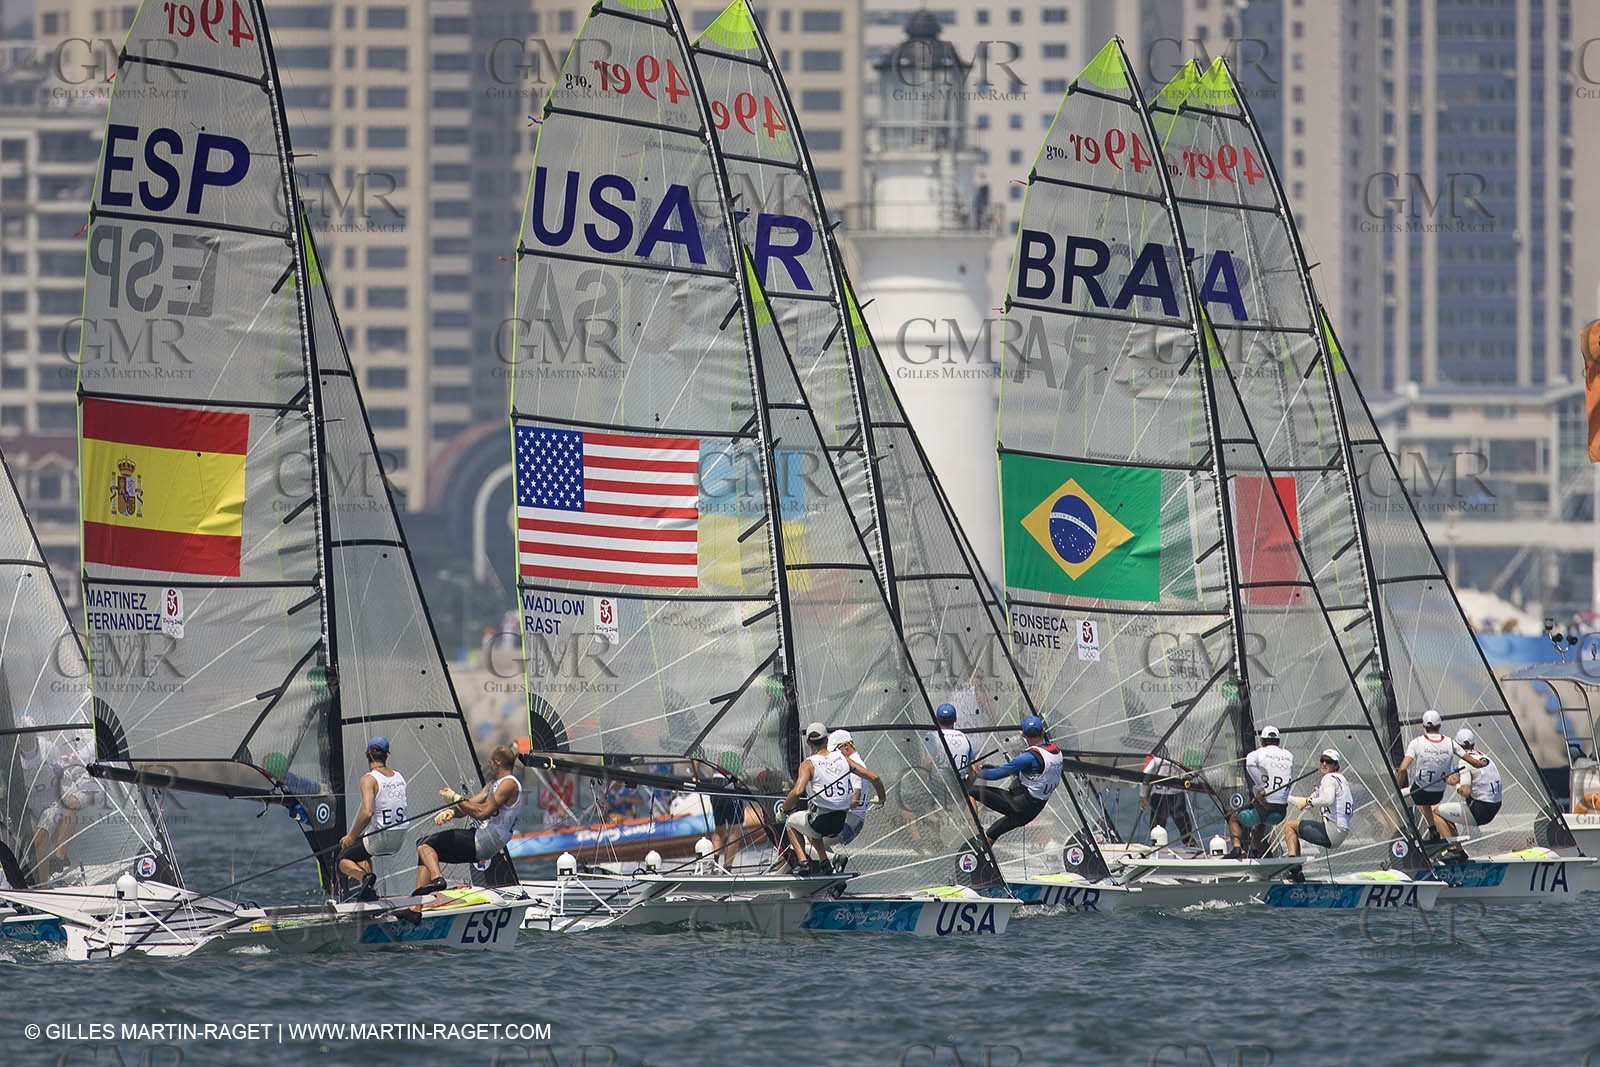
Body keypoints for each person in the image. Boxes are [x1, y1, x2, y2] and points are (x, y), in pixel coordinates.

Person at [414, 745, 522, 894]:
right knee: (425, 850)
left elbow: (482, 812)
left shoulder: (509, 784)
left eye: (490, 762)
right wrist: (451, 811)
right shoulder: (493, 784)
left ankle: (438, 879)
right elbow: (470, 804)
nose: (488, 765)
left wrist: (456, 798)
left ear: (497, 762)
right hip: (483, 837)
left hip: (488, 839)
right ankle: (418, 904)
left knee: (424, 844)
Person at [1396, 709, 1488, 843]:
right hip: (1438, 794)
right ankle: (1433, 831)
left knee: (1395, 801)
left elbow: (1403, 769)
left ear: (1423, 726)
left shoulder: (1416, 742)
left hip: (1419, 790)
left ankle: (1409, 832)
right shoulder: (1450, 742)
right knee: (1425, 801)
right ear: (1439, 726)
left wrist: (1396, 790)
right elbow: (1475, 763)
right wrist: (1482, 763)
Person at [968, 715, 1062, 846]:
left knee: (971, 792)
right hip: (1034, 810)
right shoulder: (1057, 751)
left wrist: (975, 772)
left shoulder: (1028, 757)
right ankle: (986, 864)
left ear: (1023, 735)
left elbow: (996, 775)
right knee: (991, 835)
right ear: (1043, 731)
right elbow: (1035, 772)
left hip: (1020, 805)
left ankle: (971, 830)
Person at [336, 738, 408, 902]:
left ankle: (365, 878)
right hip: (399, 838)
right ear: (387, 755)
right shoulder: (399, 777)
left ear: (366, 753)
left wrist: (351, 836)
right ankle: (368, 891)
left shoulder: (369, 779)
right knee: (362, 849)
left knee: (343, 860)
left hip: (381, 839)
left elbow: (367, 812)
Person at [776, 722, 854, 873]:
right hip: (840, 822)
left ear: (808, 743)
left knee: (792, 823)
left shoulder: (808, 764)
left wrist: (783, 811)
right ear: (827, 740)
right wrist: (881, 797)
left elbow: (797, 792)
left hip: (822, 822)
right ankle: (826, 862)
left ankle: (803, 863)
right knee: (810, 819)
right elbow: (875, 777)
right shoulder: (841, 758)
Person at [1281, 748, 1355, 878]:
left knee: (1289, 826)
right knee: (1295, 827)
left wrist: (1307, 802)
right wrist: (1288, 798)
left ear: (1336, 765)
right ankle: (1296, 871)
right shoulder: (1342, 780)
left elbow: (1327, 800)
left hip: (1333, 830)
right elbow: (1306, 804)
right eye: (1322, 761)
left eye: (1329, 762)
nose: (1324, 764)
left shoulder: (1329, 778)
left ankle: (1293, 869)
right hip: (1340, 831)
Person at [1228, 726, 1294, 858]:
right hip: (1280, 813)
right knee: (1261, 822)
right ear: (1278, 742)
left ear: (1262, 742)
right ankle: (1253, 850)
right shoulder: (1288, 755)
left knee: (1234, 818)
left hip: (1265, 807)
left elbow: (1250, 765)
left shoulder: (1256, 754)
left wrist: (1261, 787)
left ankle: (1236, 849)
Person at [1435, 728, 1502, 854]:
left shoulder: (1464, 761)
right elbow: (1455, 778)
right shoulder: (1484, 757)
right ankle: (1458, 850)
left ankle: (1454, 851)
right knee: (1447, 814)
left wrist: (1459, 787)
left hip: (1480, 811)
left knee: (1436, 812)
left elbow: (1465, 791)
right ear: (1473, 744)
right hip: (1495, 807)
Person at [828, 729, 885, 847]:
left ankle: (834, 859)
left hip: (849, 822)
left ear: (846, 747)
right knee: (815, 848)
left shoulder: (853, 765)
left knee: (809, 841)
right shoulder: (858, 763)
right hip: (853, 821)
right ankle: (830, 862)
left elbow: (854, 801)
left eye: (835, 751)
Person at [1140, 750, 1198, 848]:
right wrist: (1143, 796)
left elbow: (1192, 772)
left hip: (1176, 793)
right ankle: (1156, 845)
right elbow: (1145, 776)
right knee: (1158, 824)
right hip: (1159, 794)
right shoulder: (1155, 759)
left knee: (1182, 821)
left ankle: (1189, 843)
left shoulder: (1181, 754)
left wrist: (1143, 796)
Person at [927, 703, 976, 787]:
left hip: (937, 786)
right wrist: (965, 790)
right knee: (970, 798)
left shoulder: (932, 736)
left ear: (937, 719)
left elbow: (927, 762)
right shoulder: (964, 737)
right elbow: (974, 770)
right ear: (955, 719)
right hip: (959, 785)